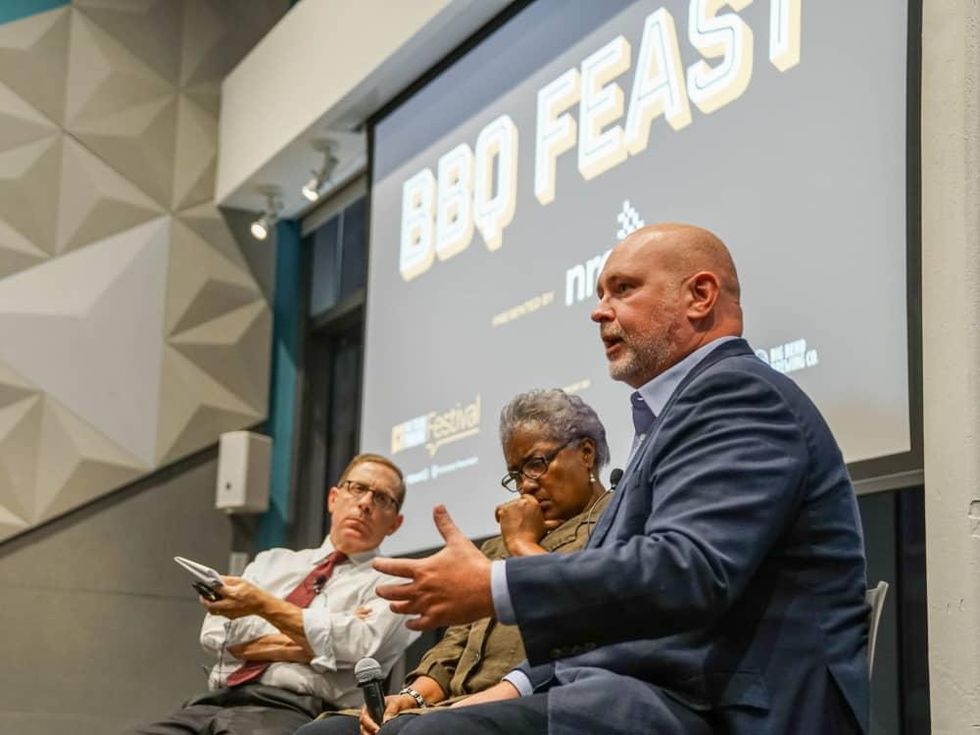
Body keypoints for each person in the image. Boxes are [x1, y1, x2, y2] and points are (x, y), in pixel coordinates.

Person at [372, 223, 870, 734]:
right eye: (599, 294)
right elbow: (625, 611)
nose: (598, 311)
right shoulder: (675, 413)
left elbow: (687, 571)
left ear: (700, 296)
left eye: (624, 289)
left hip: (727, 709)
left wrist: (497, 584)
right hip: (653, 694)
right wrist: (513, 687)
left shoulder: (738, 394)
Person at [296, 389, 615, 735]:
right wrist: (412, 697)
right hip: (453, 705)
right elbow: (455, 644)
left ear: (586, 453)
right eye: (516, 474)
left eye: (536, 464)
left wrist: (522, 545)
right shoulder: (497, 545)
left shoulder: (616, 523)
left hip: (547, 696)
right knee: (320, 734)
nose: (526, 485)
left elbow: (587, 615)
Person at [128, 453, 419, 735]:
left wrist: (260, 604)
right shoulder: (272, 561)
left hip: (301, 712)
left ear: (395, 523)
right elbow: (217, 636)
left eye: (381, 498)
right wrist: (319, 641)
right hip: (215, 700)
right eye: (357, 488)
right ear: (333, 498)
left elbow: (358, 648)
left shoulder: (394, 583)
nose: (365, 503)